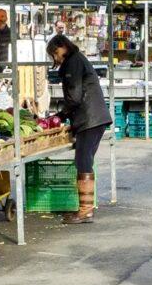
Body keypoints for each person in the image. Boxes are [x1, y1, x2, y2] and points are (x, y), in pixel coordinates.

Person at [47, 33, 113, 224]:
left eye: (54, 52)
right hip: (93, 117)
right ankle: (86, 209)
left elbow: (74, 97)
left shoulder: (73, 62)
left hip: (89, 118)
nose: (55, 57)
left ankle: (85, 211)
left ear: (62, 47)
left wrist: (61, 114)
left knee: (83, 161)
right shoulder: (76, 60)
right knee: (85, 160)